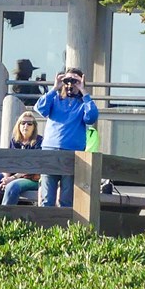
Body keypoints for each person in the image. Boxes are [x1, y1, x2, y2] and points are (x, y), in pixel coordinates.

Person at [34, 67, 100, 209]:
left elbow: (91, 117)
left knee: (67, 199)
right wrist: (55, 88)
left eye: (75, 81)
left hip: (72, 154)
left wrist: (83, 91)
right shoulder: (55, 99)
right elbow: (40, 109)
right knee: (47, 199)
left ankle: (64, 228)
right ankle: (45, 228)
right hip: (50, 151)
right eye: (68, 80)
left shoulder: (83, 103)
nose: (70, 84)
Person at [0, 111, 43, 206]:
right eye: (23, 123)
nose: (26, 126)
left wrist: (12, 178)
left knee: (12, 185)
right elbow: (8, 162)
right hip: (12, 177)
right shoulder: (15, 141)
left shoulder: (39, 141)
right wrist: (6, 178)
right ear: (18, 125)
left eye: (29, 123)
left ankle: (4, 217)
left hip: (32, 179)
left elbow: (31, 166)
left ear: (34, 127)